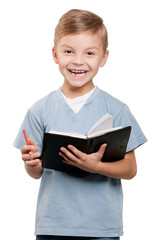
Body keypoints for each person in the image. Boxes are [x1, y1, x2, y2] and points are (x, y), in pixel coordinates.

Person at [14, 9, 147, 240]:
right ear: (55, 54)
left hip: (101, 227)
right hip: (53, 226)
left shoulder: (117, 109)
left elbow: (131, 169)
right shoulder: (39, 110)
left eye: (89, 53)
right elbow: (36, 173)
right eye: (68, 51)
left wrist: (97, 167)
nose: (78, 61)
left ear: (103, 58)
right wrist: (31, 163)